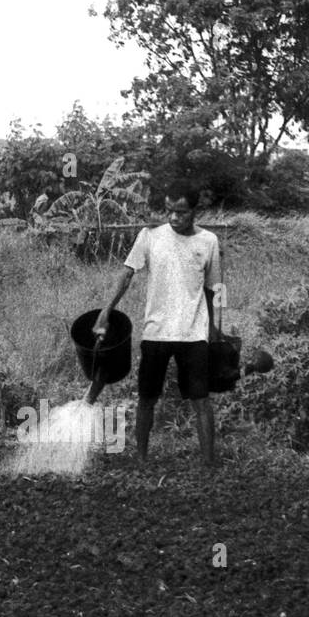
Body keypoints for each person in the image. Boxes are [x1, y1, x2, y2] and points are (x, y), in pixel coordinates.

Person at [93, 184, 222, 466]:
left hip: (193, 333)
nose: (174, 218)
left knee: (201, 400)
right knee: (147, 398)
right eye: (169, 211)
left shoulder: (208, 241)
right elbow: (127, 274)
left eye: (181, 212)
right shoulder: (150, 235)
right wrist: (106, 311)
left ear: (194, 212)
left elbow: (214, 289)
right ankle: (141, 459)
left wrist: (216, 328)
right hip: (156, 331)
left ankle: (210, 465)